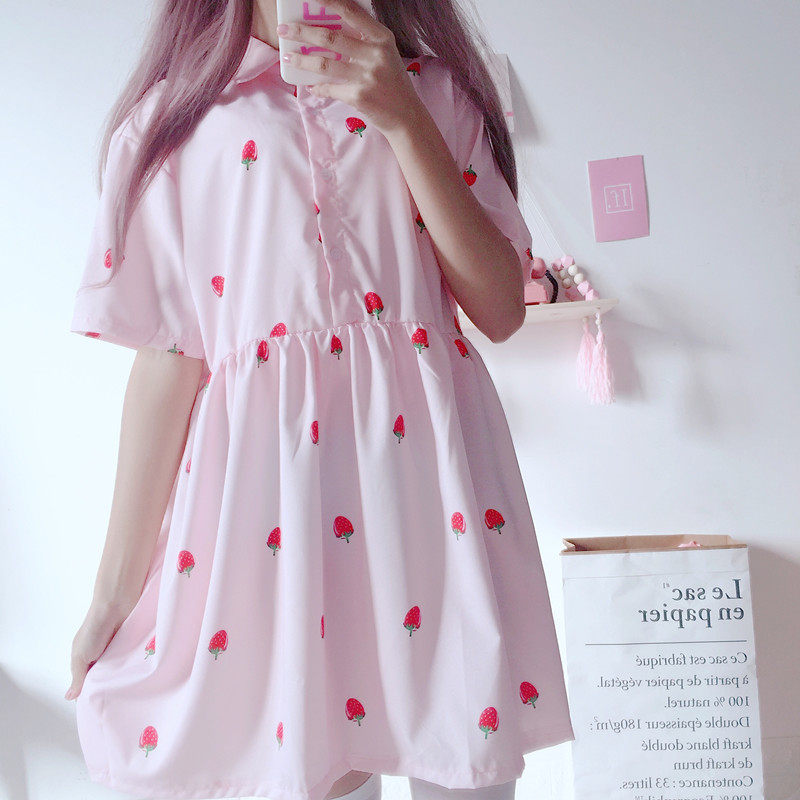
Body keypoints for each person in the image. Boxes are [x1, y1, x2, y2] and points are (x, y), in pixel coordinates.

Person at [64, 0, 575, 798]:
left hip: (429, 492)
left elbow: (502, 308)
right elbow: (169, 360)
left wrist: (401, 112)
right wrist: (110, 595)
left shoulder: (433, 91)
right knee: (313, 768)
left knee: (462, 760)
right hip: (276, 505)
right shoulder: (174, 121)